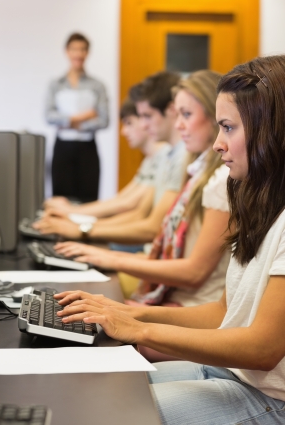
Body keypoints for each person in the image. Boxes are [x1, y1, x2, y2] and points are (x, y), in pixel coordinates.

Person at [54, 55, 285, 424]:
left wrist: (139, 328)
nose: (217, 145)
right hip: (241, 376)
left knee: (105, 413)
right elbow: (224, 312)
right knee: (88, 384)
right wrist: (127, 312)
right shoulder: (256, 201)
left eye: (228, 128)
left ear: (272, 130)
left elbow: (262, 349)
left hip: (269, 394)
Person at [54, 70, 230, 313]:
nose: (179, 125)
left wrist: (86, 233)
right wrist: (80, 224)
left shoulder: (217, 178)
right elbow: (130, 205)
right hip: (173, 287)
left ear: (214, 118)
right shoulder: (195, 169)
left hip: (188, 299)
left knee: (88, 302)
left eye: (186, 115)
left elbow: (150, 227)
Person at [35, 72, 187, 245]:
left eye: (146, 116)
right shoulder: (168, 155)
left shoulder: (177, 157)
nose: (144, 125)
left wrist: (80, 225)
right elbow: (129, 206)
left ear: (170, 110)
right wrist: (76, 218)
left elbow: (140, 216)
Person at [44, 98, 169, 219]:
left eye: (129, 123)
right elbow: (121, 199)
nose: (123, 132)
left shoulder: (164, 155)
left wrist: (72, 213)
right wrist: (73, 211)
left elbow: (127, 204)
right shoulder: (149, 160)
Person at [46, 32, 109, 203]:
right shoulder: (56, 84)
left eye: (82, 49)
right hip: (62, 148)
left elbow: (104, 120)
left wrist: (70, 123)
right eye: (74, 49)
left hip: (87, 148)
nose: (78, 54)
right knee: (61, 198)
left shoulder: (97, 85)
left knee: (88, 198)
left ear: (87, 53)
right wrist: (85, 116)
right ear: (67, 51)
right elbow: (49, 116)